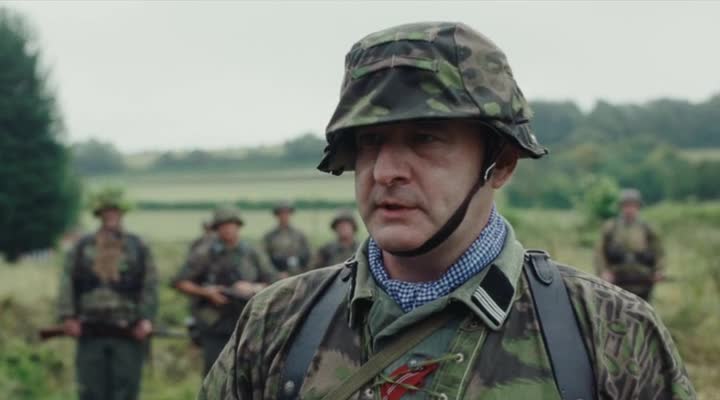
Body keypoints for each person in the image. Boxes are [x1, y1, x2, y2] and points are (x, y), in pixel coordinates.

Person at [199, 22, 694, 399]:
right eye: (369, 141)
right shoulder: (278, 321)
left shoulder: (608, 332)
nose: (385, 170)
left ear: (500, 163)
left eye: (425, 138)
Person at [57, 188, 157, 400]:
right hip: (90, 328)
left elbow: (149, 283)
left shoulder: (138, 246)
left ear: (122, 213)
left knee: (126, 388)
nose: (111, 215)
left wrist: (146, 318)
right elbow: (67, 281)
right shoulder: (82, 246)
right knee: (91, 389)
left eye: (115, 210)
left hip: (128, 328)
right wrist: (68, 316)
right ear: (99, 214)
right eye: (106, 211)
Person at [174, 206, 276, 374]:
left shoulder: (252, 253)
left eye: (231, 224)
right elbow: (180, 282)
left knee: (248, 373)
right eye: (223, 225)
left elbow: (274, 281)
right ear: (216, 228)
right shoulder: (204, 253)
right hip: (215, 323)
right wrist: (207, 292)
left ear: (238, 226)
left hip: (248, 322)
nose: (228, 229)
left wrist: (253, 287)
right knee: (216, 372)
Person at [595, 188, 665, 301]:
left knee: (641, 309)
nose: (629, 209)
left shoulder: (647, 228)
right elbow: (599, 252)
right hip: (617, 279)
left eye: (633, 205)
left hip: (643, 280)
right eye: (626, 205)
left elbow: (659, 251)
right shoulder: (611, 227)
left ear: (638, 207)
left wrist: (659, 270)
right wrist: (604, 272)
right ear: (621, 207)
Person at [262, 201, 311, 276]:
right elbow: (264, 259)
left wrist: (304, 272)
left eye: (287, 213)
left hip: (299, 274)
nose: (284, 216)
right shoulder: (269, 236)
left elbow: (309, 256)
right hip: (278, 274)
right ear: (277, 215)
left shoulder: (300, 235)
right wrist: (276, 274)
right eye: (281, 213)